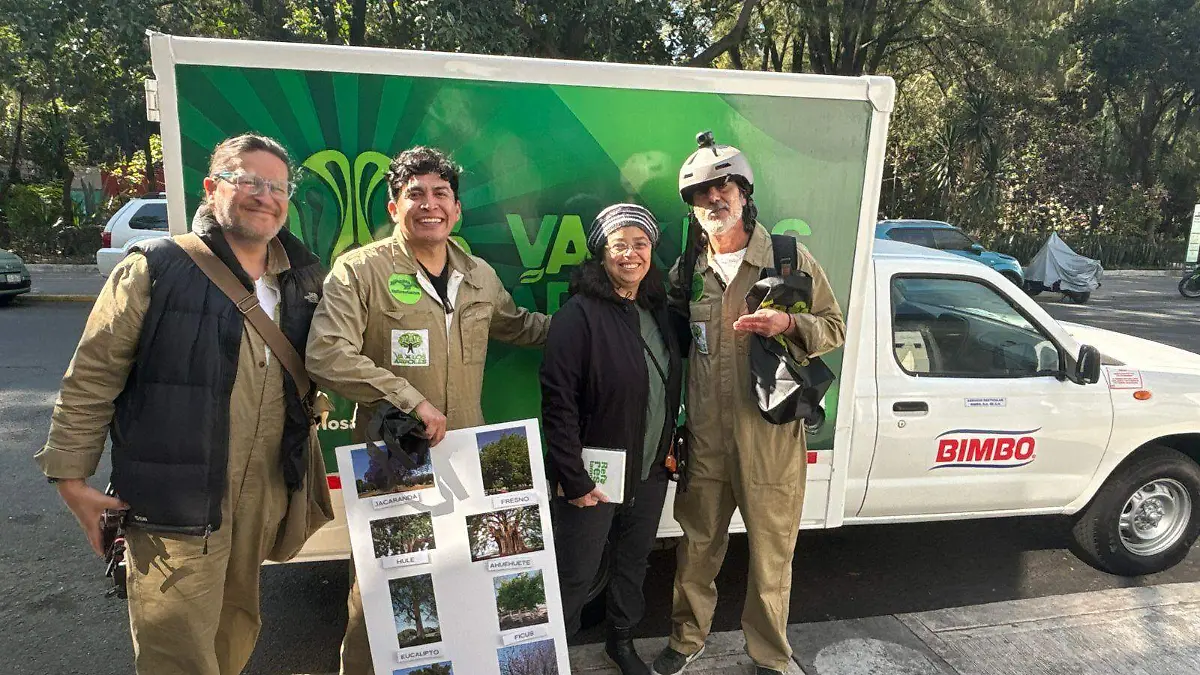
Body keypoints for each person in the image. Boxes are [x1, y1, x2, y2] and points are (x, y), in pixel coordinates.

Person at [35, 133, 330, 675]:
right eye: (249, 181)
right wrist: (71, 480)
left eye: (277, 187)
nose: (265, 196)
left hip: (261, 493)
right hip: (174, 502)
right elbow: (91, 379)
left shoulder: (301, 278)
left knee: (237, 625)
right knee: (177, 648)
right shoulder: (156, 267)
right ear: (212, 187)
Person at [305, 145, 552, 675]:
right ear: (394, 207)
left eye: (441, 193)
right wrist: (409, 398)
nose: (429, 204)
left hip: (468, 458)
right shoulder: (359, 272)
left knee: (466, 585)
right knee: (382, 592)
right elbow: (326, 353)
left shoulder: (478, 274)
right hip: (395, 460)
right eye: (414, 193)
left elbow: (518, 325)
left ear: (457, 209)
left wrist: (590, 325)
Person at [652, 134, 846, 675]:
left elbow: (834, 326)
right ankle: (686, 641)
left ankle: (769, 655)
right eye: (700, 194)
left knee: (770, 554)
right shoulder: (686, 272)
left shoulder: (786, 258)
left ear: (743, 193)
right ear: (691, 208)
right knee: (695, 549)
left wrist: (788, 323)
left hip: (770, 438)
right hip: (706, 439)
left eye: (724, 187)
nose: (713, 199)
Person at [541, 204, 684, 675]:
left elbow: (667, 387)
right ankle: (549, 656)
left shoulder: (659, 312)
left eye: (640, 244)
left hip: (649, 471)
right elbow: (558, 405)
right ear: (601, 253)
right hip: (592, 477)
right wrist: (574, 478)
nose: (630, 254)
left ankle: (621, 643)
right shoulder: (577, 316)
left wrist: (668, 447)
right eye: (618, 244)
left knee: (632, 563)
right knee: (576, 573)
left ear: (652, 252)